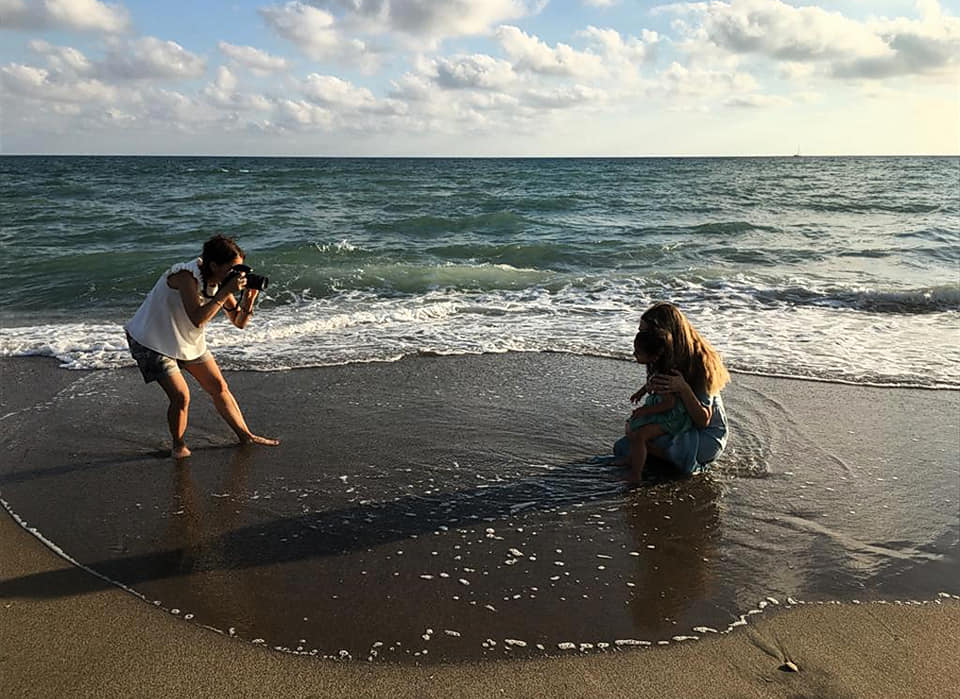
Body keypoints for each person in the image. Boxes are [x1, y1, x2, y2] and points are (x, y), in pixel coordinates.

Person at [125, 234, 279, 458]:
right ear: (214, 265)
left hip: (185, 339)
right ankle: (178, 446)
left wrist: (249, 299)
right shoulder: (186, 277)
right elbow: (197, 318)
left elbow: (239, 322)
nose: (239, 275)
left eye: (241, 269)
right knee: (181, 396)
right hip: (152, 340)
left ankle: (246, 435)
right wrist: (226, 291)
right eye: (233, 269)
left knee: (218, 386)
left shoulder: (220, 281)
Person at [614, 302, 730, 476]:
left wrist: (683, 388)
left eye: (645, 332)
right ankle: (667, 458)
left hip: (704, 435)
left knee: (638, 441)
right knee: (622, 446)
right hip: (677, 423)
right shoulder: (660, 357)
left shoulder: (699, 362)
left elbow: (703, 420)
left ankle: (679, 460)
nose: (640, 336)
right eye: (640, 331)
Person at [624, 327, 694, 480]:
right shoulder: (656, 368)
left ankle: (635, 475)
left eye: (638, 352)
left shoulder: (665, 376)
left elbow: (669, 404)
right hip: (661, 410)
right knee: (632, 426)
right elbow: (650, 383)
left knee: (640, 435)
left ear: (654, 356)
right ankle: (634, 460)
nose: (634, 354)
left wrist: (645, 411)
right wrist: (641, 393)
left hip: (673, 417)